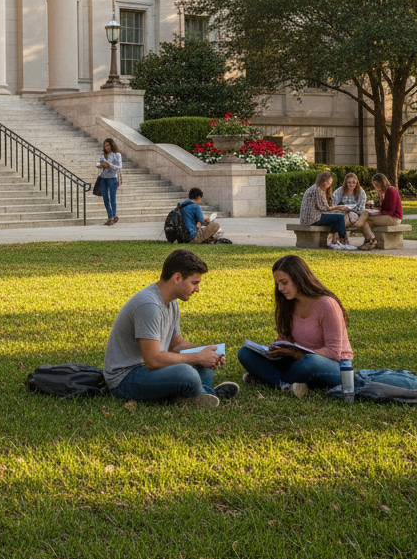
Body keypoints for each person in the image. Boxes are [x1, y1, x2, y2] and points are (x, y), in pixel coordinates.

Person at [103, 248, 239, 407]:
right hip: (126, 379)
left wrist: (206, 351)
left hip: (151, 371)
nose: (197, 289)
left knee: (203, 361)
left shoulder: (171, 301)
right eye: (194, 283)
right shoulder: (149, 305)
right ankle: (202, 393)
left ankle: (197, 395)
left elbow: (176, 344)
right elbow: (152, 360)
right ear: (177, 278)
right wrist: (197, 357)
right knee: (187, 373)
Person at [237, 254, 353, 397]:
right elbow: (285, 337)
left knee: (309, 362)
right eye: (278, 283)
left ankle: (273, 380)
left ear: (299, 279)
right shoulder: (288, 303)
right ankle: (287, 385)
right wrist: (275, 349)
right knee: (245, 353)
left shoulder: (327, 305)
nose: (280, 288)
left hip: (330, 366)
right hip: (295, 361)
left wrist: (297, 354)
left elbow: (334, 353)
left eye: (284, 282)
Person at [298, 170, 354, 249]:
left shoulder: (318, 189)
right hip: (312, 218)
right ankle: (344, 241)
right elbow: (324, 208)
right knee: (339, 217)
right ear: (322, 181)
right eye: (327, 181)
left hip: (313, 217)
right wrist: (340, 207)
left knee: (336, 219)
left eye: (330, 181)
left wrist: (336, 208)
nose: (329, 183)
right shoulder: (317, 190)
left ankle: (334, 242)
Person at [364, 173, 404, 250]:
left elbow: (390, 210)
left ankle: (370, 241)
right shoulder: (384, 192)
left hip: (394, 218)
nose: (375, 186)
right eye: (374, 184)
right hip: (388, 216)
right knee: (368, 220)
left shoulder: (390, 190)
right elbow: (383, 209)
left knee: (369, 219)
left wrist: (376, 214)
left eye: (376, 184)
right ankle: (369, 241)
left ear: (381, 182)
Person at [332, 172, 372, 244]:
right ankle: (342, 238)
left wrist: (350, 210)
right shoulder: (339, 191)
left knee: (348, 216)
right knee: (342, 217)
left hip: (355, 214)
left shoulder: (361, 192)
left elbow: (361, 209)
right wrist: (342, 209)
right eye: (349, 182)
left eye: (353, 182)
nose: (351, 184)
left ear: (356, 183)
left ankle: (341, 238)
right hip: (341, 213)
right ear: (346, 183)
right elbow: (333, 205)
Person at [96, 138, 122, 225]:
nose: (106, 147)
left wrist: (109, 165)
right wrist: (100, 165)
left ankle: (114, 216)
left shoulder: (117, 155)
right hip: (104, 178)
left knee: (112, 198)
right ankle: (109, 216)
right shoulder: (103, 156)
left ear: (111, 145)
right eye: (105, 146)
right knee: (105, 198)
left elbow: (119, 166)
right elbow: (98, 163)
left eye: (108, 145)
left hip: (113, 179)